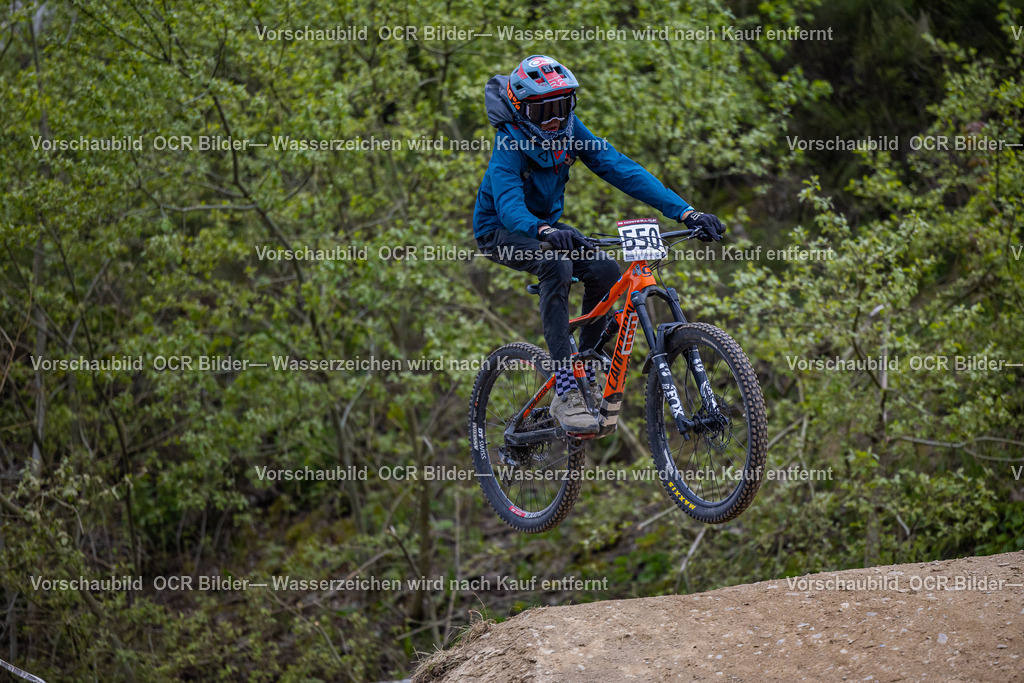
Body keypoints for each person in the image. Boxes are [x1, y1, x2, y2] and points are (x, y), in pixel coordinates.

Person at [473, 55, 725, 434]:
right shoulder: (509, 142)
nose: (555, 120)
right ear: (523, 110)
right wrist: (542, 232)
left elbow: (622, 168)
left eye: (562, 106)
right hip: (502, 231)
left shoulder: (572, 131)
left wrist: (686, 213)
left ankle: (587, 363)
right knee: (556, 265)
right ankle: (565, 386)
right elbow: (509, 207)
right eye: (545, 112)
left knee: (606, 269)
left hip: (547, 227)